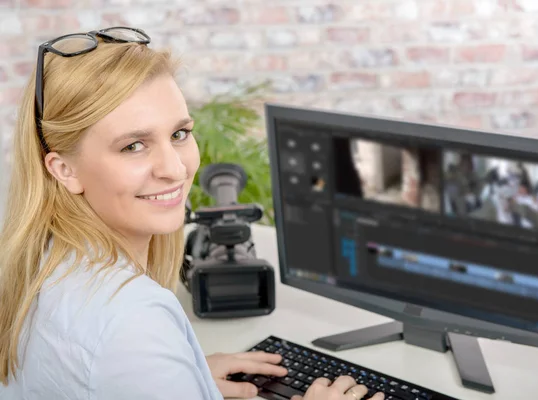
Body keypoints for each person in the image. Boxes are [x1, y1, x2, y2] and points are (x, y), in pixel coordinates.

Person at [0, 27, 384, 400]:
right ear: (64, 169)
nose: (175, 168)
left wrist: (187, 373)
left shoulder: (40, 261)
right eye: (133, 145)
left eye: (180, 133)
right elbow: (117, 351)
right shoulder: (132, 323)